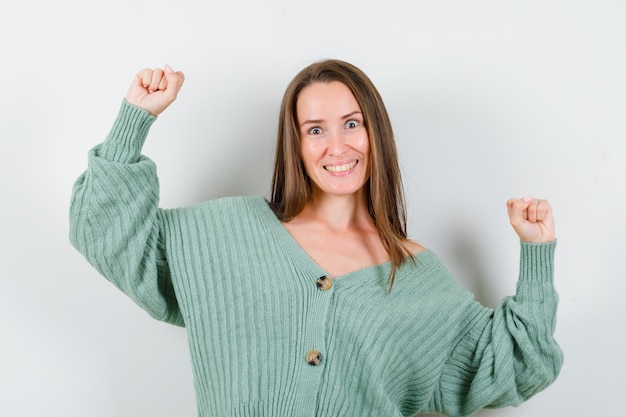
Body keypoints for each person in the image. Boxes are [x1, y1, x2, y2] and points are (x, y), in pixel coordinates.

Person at [69, 59, 563, 417]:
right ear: (296, 144)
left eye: (352, 124)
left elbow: (516, 366)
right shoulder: (224, 234)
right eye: (315, 130)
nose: (337, 146)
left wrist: (536, 252)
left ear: (375, 134)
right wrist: (135, 119)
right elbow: (106, 234)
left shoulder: (415, 275)